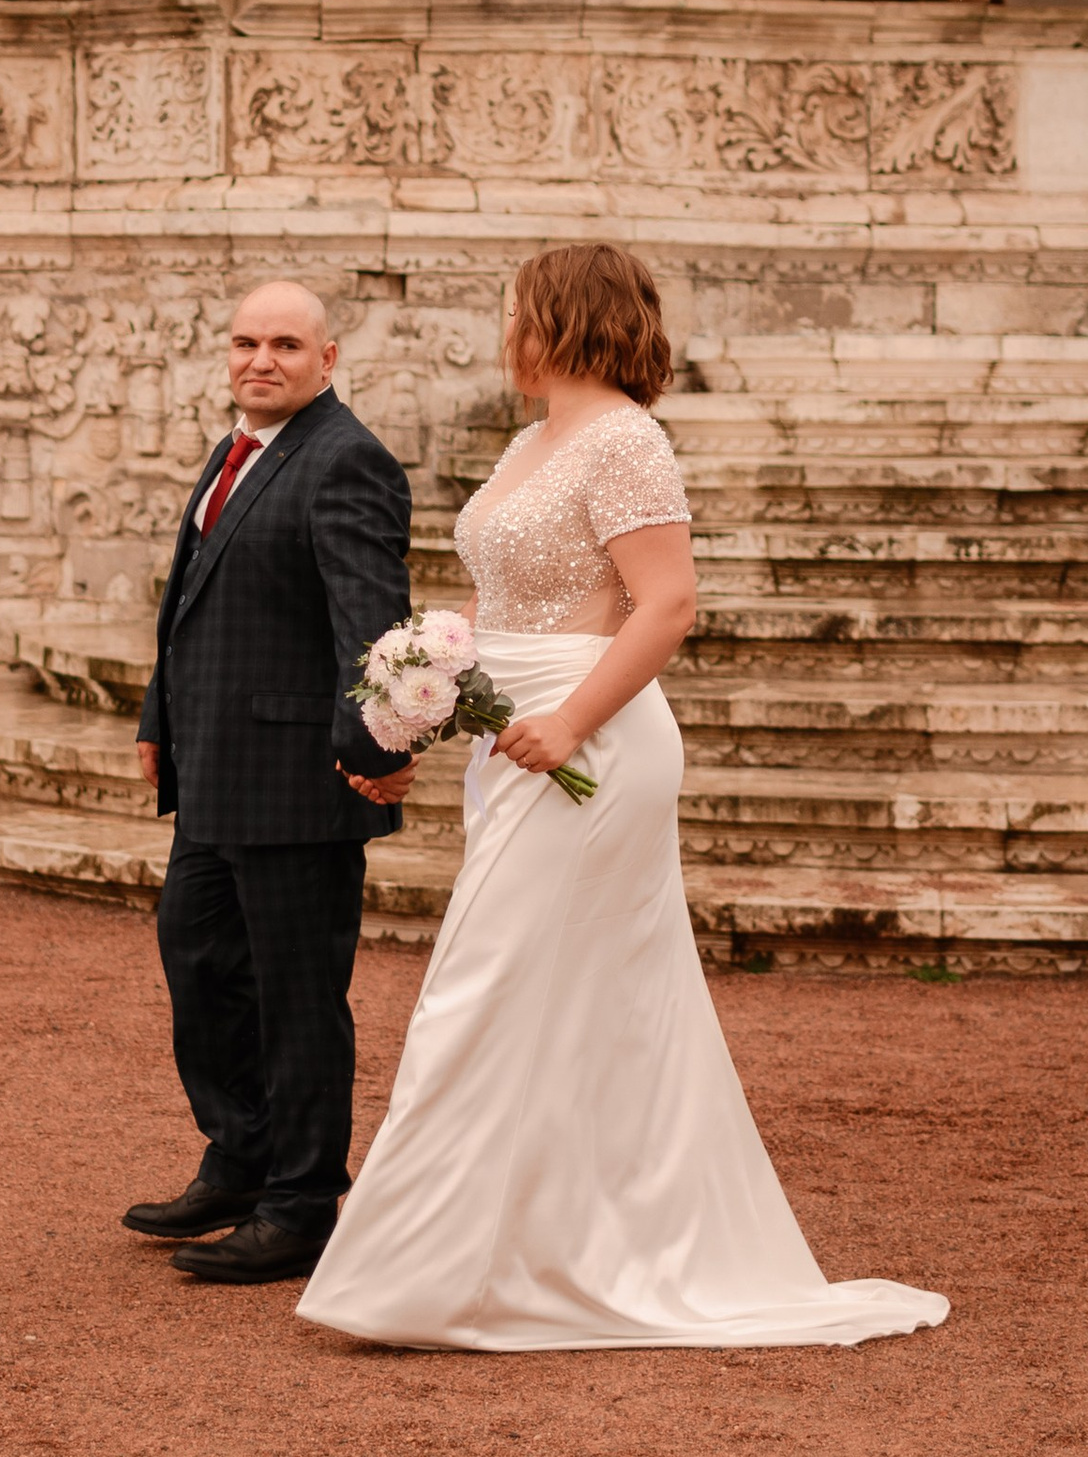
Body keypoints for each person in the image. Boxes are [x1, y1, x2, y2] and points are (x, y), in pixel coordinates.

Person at [297, 242, 948, 1351]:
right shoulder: (530, 437)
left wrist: (571, 720)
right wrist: (422, 705)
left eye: (517, 307)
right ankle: (523, 1246)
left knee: (481, 990)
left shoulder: (626, 439)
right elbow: (494, 599)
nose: (505, 326)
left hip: (588, 745)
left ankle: (425, 1268)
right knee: (553, 1005)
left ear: (558, 316)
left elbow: (666, 602)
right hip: (514, 738)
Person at [123, 280, 417, 1286]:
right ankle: (239, 1157)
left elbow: (373, 629)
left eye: (285, 343)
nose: (262, 358)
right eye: (247, 341)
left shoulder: (348, 461)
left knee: (296, 999)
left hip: (297, 782)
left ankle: (300, 1204)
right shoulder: (240, 448)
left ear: (326, 359)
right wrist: (160, 721)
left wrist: (371, 753)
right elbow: (192, 604)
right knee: (198, 964)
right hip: (212, 771)